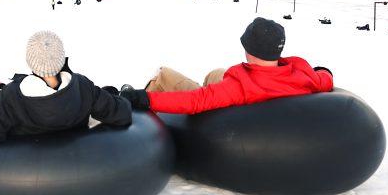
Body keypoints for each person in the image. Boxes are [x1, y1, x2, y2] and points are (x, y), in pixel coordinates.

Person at [0, 30, 131, 149]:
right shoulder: (83, 87)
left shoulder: (15, 98)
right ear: (61, 59)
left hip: (16, 129)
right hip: (57, 125)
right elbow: (121, 112)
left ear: (31, 63)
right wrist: (114, 95)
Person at [118, 17, 333, 115]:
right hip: (267, 85)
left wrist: (143, 98)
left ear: (248, 49)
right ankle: (207, 82)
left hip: (224, 108)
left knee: (163, 74)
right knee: (217, 73)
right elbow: (325, 78)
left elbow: (195, 102)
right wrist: (323, 72)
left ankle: (139, 116)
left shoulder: (241, 86)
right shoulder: (304, 73)